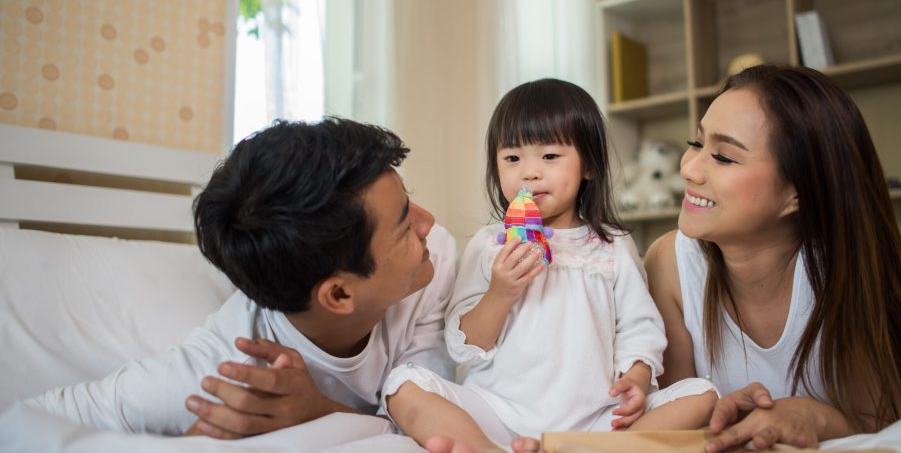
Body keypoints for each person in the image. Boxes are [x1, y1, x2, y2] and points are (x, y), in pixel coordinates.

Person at [21, 117, 459, 442]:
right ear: (339, 293)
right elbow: (26, 423)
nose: (429, 222)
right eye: (405, 226)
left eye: (411, 202)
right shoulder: (222, 375)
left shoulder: (430, 260)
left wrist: (322, 412)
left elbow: (435, 417)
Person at [383, 78, 718, 452]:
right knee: (402, 384)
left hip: (594, 421)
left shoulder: (612, 245)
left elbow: (639, 326)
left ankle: (589, 449)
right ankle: (489, 450)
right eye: (512, 158)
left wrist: (636, 378)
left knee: (703, 394)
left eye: (549, 157)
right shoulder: (489, 247)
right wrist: (500, 291)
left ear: (588, 164)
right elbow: (464, 348)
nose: (529, 172)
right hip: (500, 413)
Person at [642, 64, 901, 452]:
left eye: (723, 157)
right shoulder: (670, 264)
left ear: (797, 192)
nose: (688, 168)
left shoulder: (840, 272)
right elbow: (674, 428)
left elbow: (895, 423)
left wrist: (813, 415)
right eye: (697, 142)